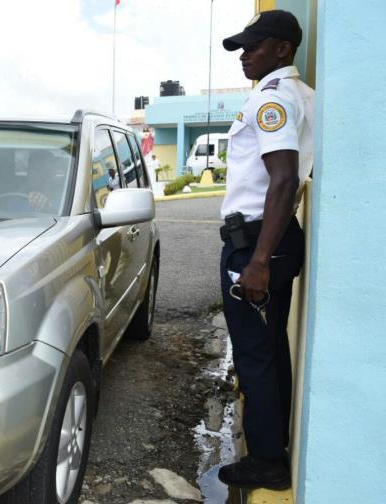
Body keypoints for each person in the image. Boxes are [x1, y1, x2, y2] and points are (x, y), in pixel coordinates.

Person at [216, 10, 314, 490]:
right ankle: (273, 447)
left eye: (252, 47)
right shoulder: (303, 96)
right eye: (242, 48)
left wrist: (256, 263)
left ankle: (267, 461)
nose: (244, 56)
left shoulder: (271, 101)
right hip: (270, 239)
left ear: (283, 49)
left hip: (257, 243)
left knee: (256, 353)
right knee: (271, 348)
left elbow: (284, 178)